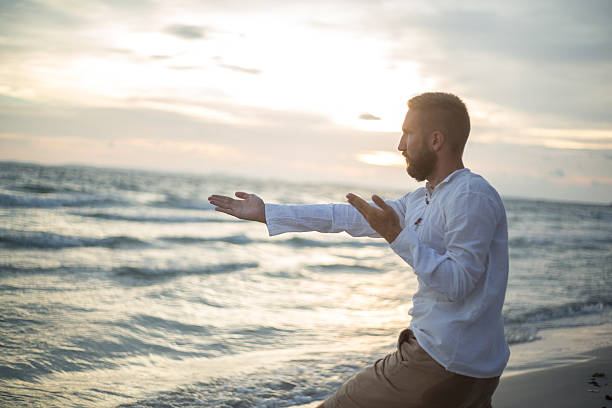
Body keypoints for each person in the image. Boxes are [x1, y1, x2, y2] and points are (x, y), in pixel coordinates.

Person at [208, 92, 509, 408]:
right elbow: (344, 217)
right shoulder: (421, 199)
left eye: (408, 133)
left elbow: (458, 283)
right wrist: (268, 212)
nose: (400, 145)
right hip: (468, 366)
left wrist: (398, 236)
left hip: (442, 360)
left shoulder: (470, 196)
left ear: (435, 140)